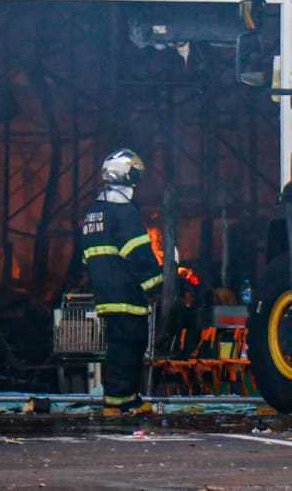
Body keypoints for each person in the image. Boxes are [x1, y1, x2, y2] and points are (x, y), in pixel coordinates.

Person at [80, 149, 163, 415]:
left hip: (104, 290)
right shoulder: (123, 212)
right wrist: (155, 284)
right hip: (127, 292)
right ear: (125, 174)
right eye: (135, 174)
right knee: (131, 343)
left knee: (118, 344)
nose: (137, 180)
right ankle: (122, 400)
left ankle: (120, 400)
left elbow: (86, 258)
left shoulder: (94, 212)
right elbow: (137, 253)